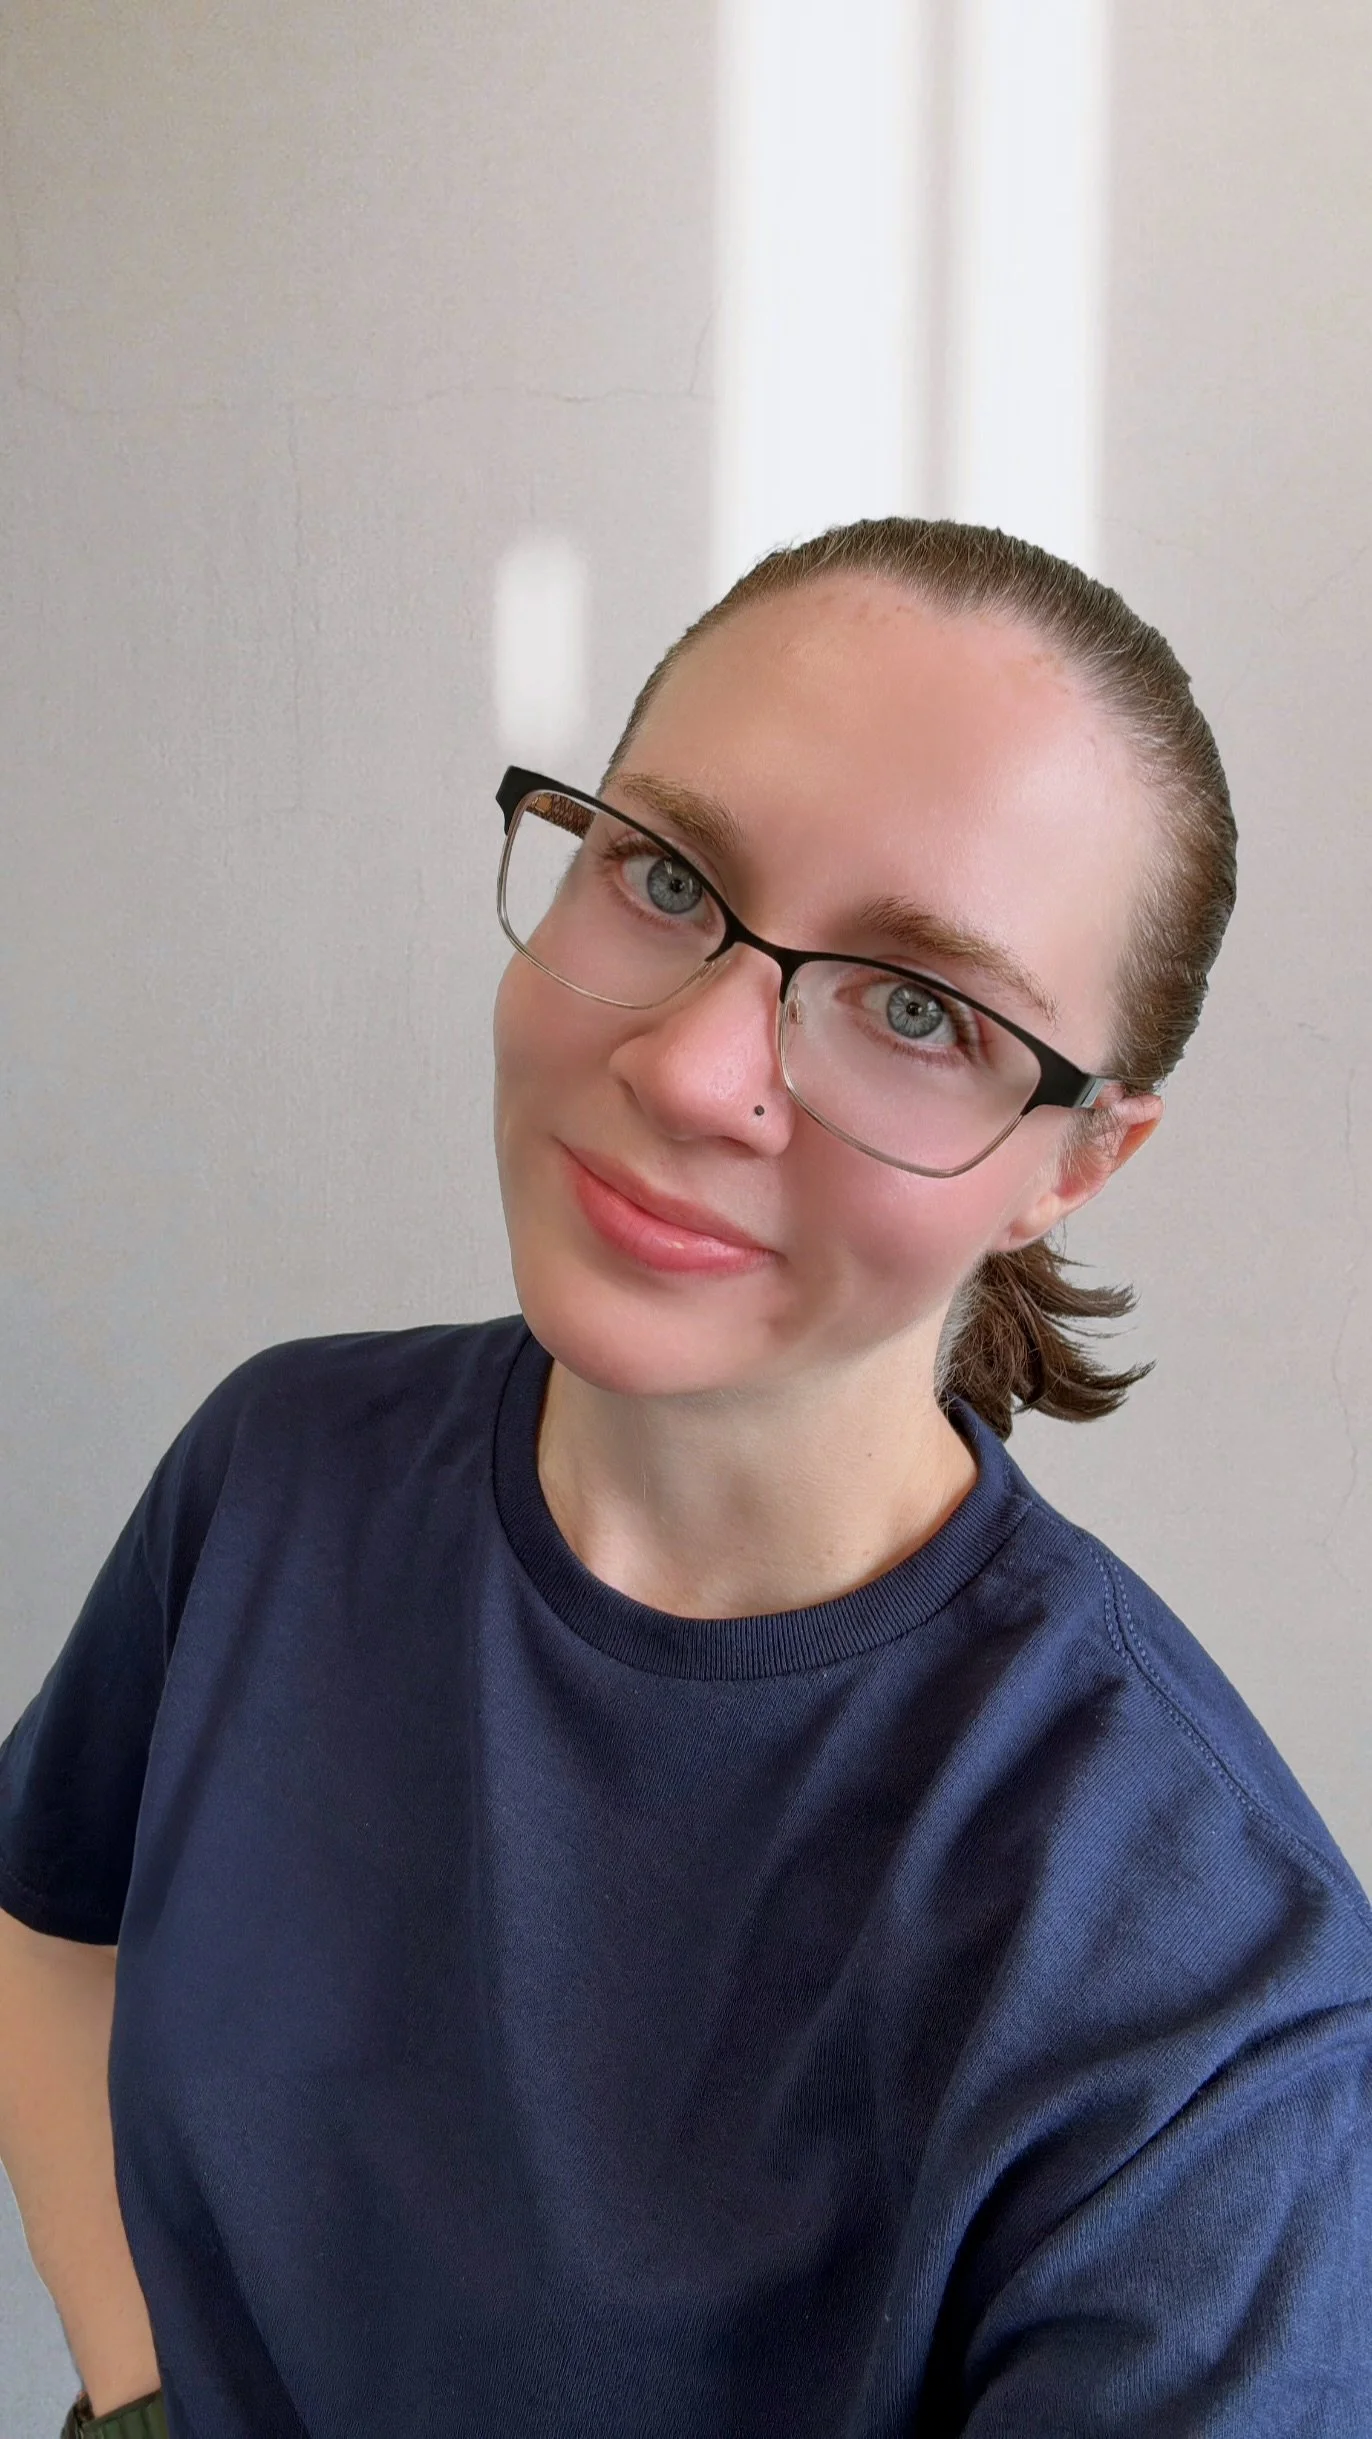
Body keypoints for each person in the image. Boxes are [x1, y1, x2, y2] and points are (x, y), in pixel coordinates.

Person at [1, 516, 1369, 2438]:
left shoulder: (1210, 2007)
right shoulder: (274, 1476)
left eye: (920, 1008)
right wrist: (138, 2393)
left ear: (1078, 1160)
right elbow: (46, 1920)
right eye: (662, 872)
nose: (695, 1067)